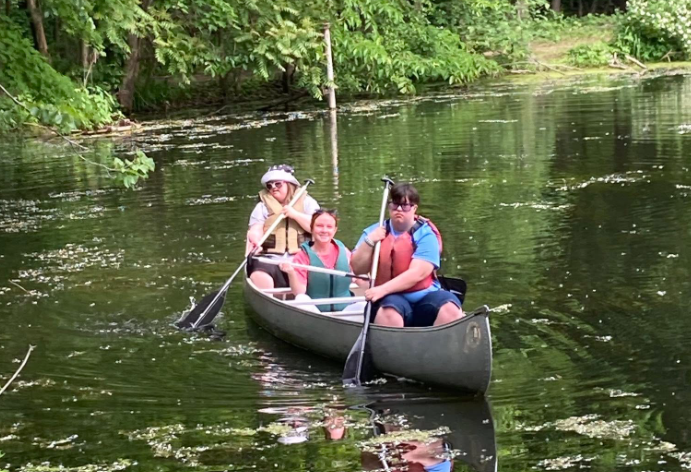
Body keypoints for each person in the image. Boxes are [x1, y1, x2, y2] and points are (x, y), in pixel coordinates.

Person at [350, 182, 463, 327]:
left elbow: (417, 273)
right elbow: (357, 269)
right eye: (394, 204)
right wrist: (369, 242)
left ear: (414, 208)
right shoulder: (374, 232)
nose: (399, 209)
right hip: (389, 299)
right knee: (390, 312)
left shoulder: (426, 234)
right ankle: (394, 347)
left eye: (405, 206)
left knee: (451, 308)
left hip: (424, 297)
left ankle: (437, 346)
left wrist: (382, 289)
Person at [246, 164, 320, 290]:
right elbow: (255, 229)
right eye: (270, 185)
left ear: (289, 184)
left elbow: (317, 227)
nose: (273, 188)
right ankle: (268, 303)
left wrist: (295, 215)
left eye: (278, 184)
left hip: (301, 258)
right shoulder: (262, 207)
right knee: (260, 275)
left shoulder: (308, 202)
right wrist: (255, 240)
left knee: (315, 274)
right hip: (270, 259)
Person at [279, 209, 367, 313]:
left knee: (365, 305)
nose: (324, 230)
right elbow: (299, 292)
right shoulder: (302, 256)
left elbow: (359, 280)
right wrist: (291, 272)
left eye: (329, 227)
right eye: (319, 226)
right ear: (312, 229)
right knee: (301, 299)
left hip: (345, 311)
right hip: (315, 312)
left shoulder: (344, 252)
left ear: (334, 230)